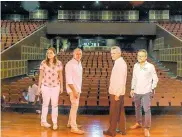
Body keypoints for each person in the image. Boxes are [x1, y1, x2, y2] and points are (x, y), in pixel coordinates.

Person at [130, 49, 159, 137]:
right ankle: (138, 123)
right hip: (137, 91)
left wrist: (152, 87)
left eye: (142, 56)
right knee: (137, 108)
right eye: (138, 56)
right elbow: (134, 78)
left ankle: (146, 128)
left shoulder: (150, 66)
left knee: (146, 110)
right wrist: (132, 89)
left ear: (146, 57)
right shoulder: (135, 65)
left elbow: (156, 78)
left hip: (146, 91)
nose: (140, 57)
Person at [103, 46, 127, 137]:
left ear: (119, 53)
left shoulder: (120, 64)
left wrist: (117, 94)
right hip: (118, 92)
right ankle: (122, 130)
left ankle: (112, 131)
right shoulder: (119, 63)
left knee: (113, 112)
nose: (112, 55)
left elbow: (121, 80)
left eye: (114, 53)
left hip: (117, 93)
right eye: (111, 53)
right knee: (120, 112)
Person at [38, 47, 63, 130]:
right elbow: (41, 76)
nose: (49, 54)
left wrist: (62, 87)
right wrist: (39, 87)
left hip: (56, 86)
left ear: (54, 54)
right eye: (48, 53)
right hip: (45, 86)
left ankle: (55, 122)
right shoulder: (43, 63)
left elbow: (61, 76)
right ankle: (43, 121)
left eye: (51, 53)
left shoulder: (59, 63)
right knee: (45, 104)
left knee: (54, 105)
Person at [65, 48, 84, 134]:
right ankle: (74, 127)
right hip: (73, 90)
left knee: (74, 107)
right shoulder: (70, 64)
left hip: (77, 89)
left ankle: (70, 123)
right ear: (73, 54)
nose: (78, 55)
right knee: (74, 107)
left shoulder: (79, 63)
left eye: (80, 54)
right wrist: (74, 91)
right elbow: (69, 80)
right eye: (77, 54)